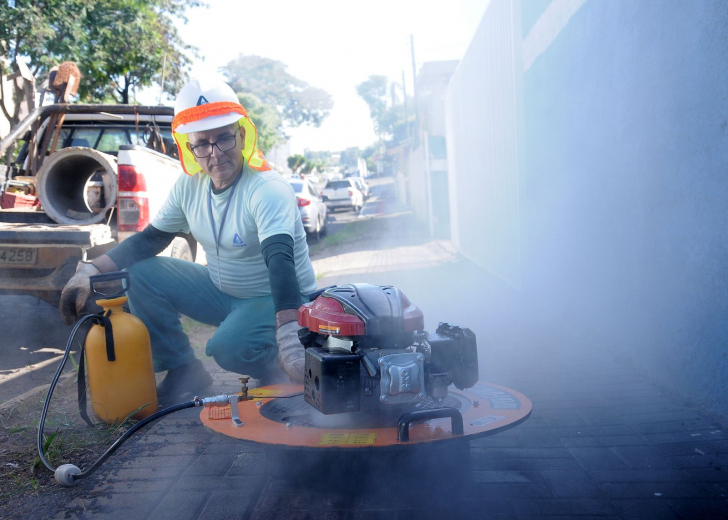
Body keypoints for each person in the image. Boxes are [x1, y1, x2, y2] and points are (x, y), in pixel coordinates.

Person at [59, 79, 317, 404]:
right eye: (202, 144)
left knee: (227, 348)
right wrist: (90, 270)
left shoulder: (266, 188)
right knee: (140, 274)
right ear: (189, 147)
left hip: (280, 297)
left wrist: (289, 330)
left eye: (223, 138)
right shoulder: (190, 186)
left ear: (241, 135)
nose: (215, 153)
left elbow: (280, 259)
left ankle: (289, 369)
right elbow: (150, 239)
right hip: (223, 291)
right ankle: (184, 370)